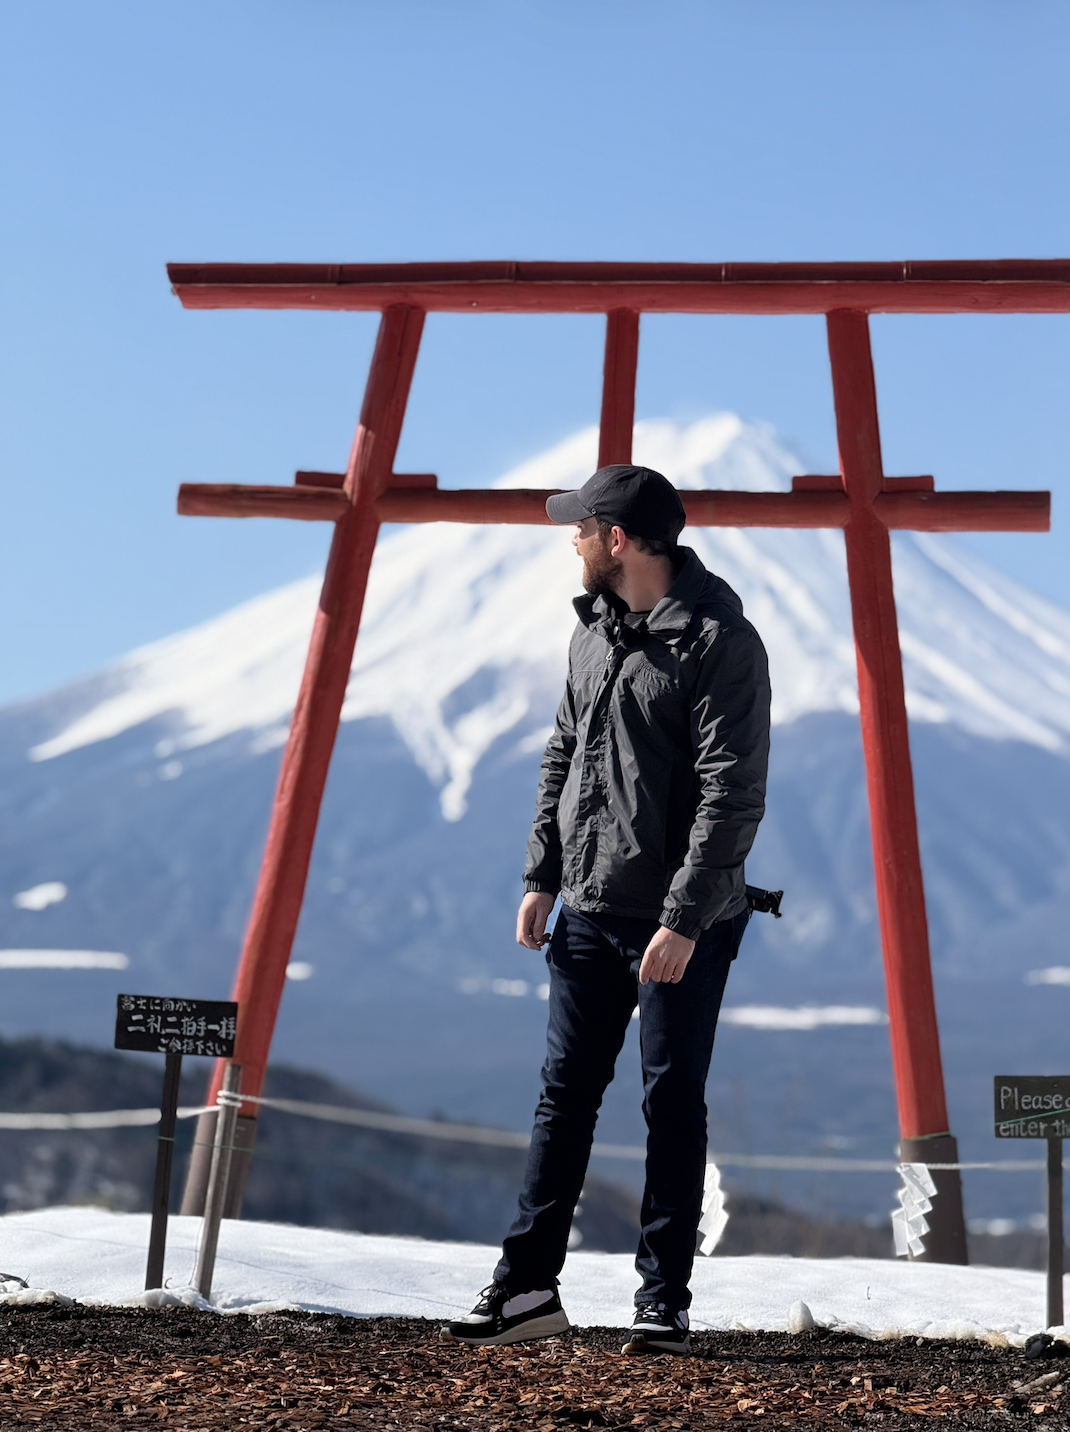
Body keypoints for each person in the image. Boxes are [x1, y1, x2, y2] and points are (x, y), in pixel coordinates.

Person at [443, 464, 771, 1355]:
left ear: (618, 540)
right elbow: (563, 756)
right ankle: (526, 1287)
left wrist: (686, 919)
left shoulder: (720, 642)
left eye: (580, 528)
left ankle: (661, 1302)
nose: (572, 541)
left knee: (672, 1100)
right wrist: (539, 873)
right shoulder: (592, 633)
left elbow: (730, 795)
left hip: (680, 922)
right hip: (586, 909)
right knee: (565, 1097)